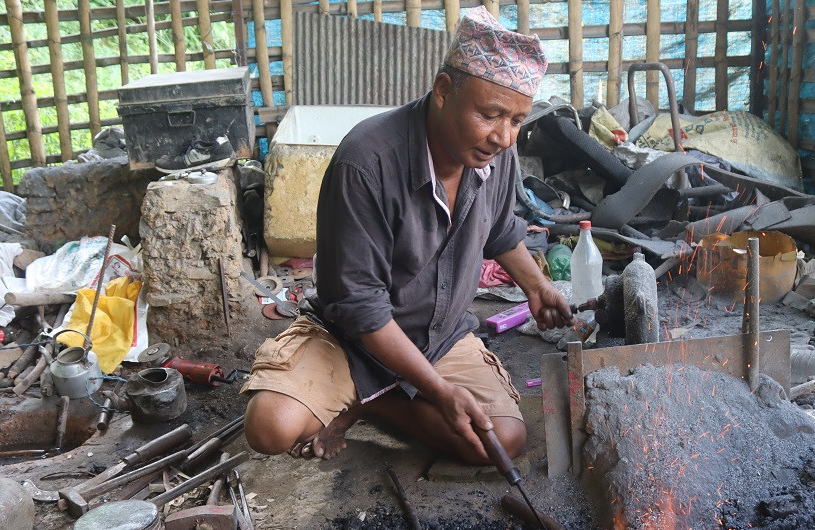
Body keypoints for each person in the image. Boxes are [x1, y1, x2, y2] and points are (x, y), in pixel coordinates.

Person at [241, 7, 571, 465]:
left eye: (516, 120)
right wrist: (438, 391)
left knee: (501, 442)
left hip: (439, 337)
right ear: (443, 90)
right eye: (491, 114)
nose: (503, 137)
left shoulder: (493, 157)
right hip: (351, 339)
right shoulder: (367, 161)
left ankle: (375, 400)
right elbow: (360, 308)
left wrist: (538, 286)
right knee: (269, 427)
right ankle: (372, 387)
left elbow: (500, 230)